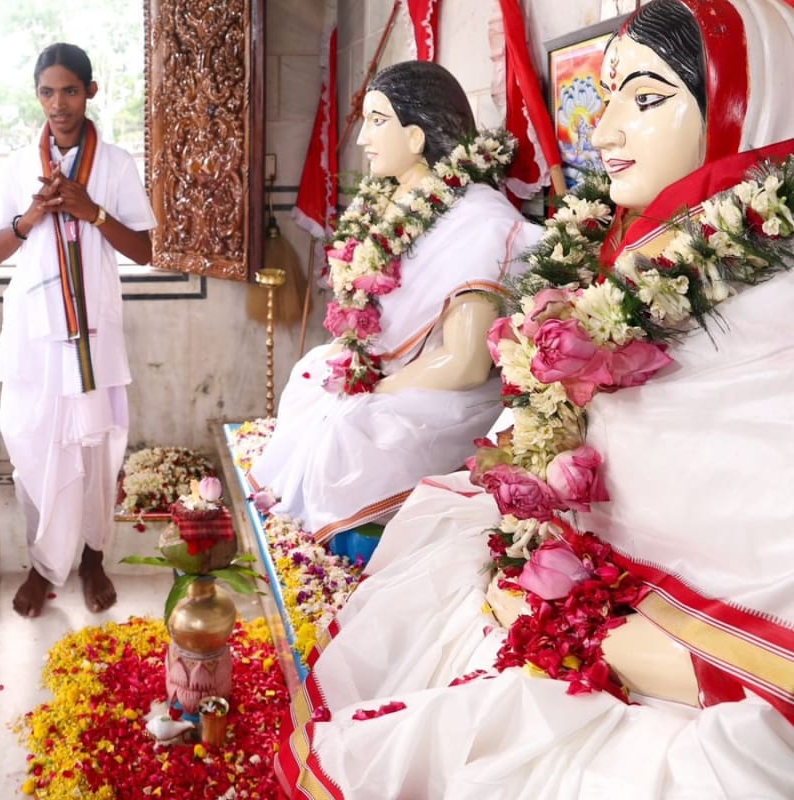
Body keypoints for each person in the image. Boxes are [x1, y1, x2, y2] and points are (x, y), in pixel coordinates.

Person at [276, 1, 794, 797]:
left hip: (695, 641)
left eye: (647, 99)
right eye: (608, 96)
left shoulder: (763, 291)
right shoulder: (625, 254)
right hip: (560, 554)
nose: (605, 132)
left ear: (742, 104)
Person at [249, 61, 540, 545]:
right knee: (312, 378)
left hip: (448, 398)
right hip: (396, 371)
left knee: (350, 430)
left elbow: (466, 365)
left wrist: (381, 389)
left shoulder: (478, 221)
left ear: (418, 135)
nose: (363, 138)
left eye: (378, 120)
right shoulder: (395, 201)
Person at [0, 43, 155, 618]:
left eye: (70, 91)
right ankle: (41, 563)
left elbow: (146, 250)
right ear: (37, 95)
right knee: (32, 440)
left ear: (90, 92)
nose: (58, 104)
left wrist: (93, 212)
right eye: (47, 92)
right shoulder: (16, 164)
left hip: (92, 333)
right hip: (34, 332)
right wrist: (30, 218)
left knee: (97, 447)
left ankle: (91, 558)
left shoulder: (115, 165)